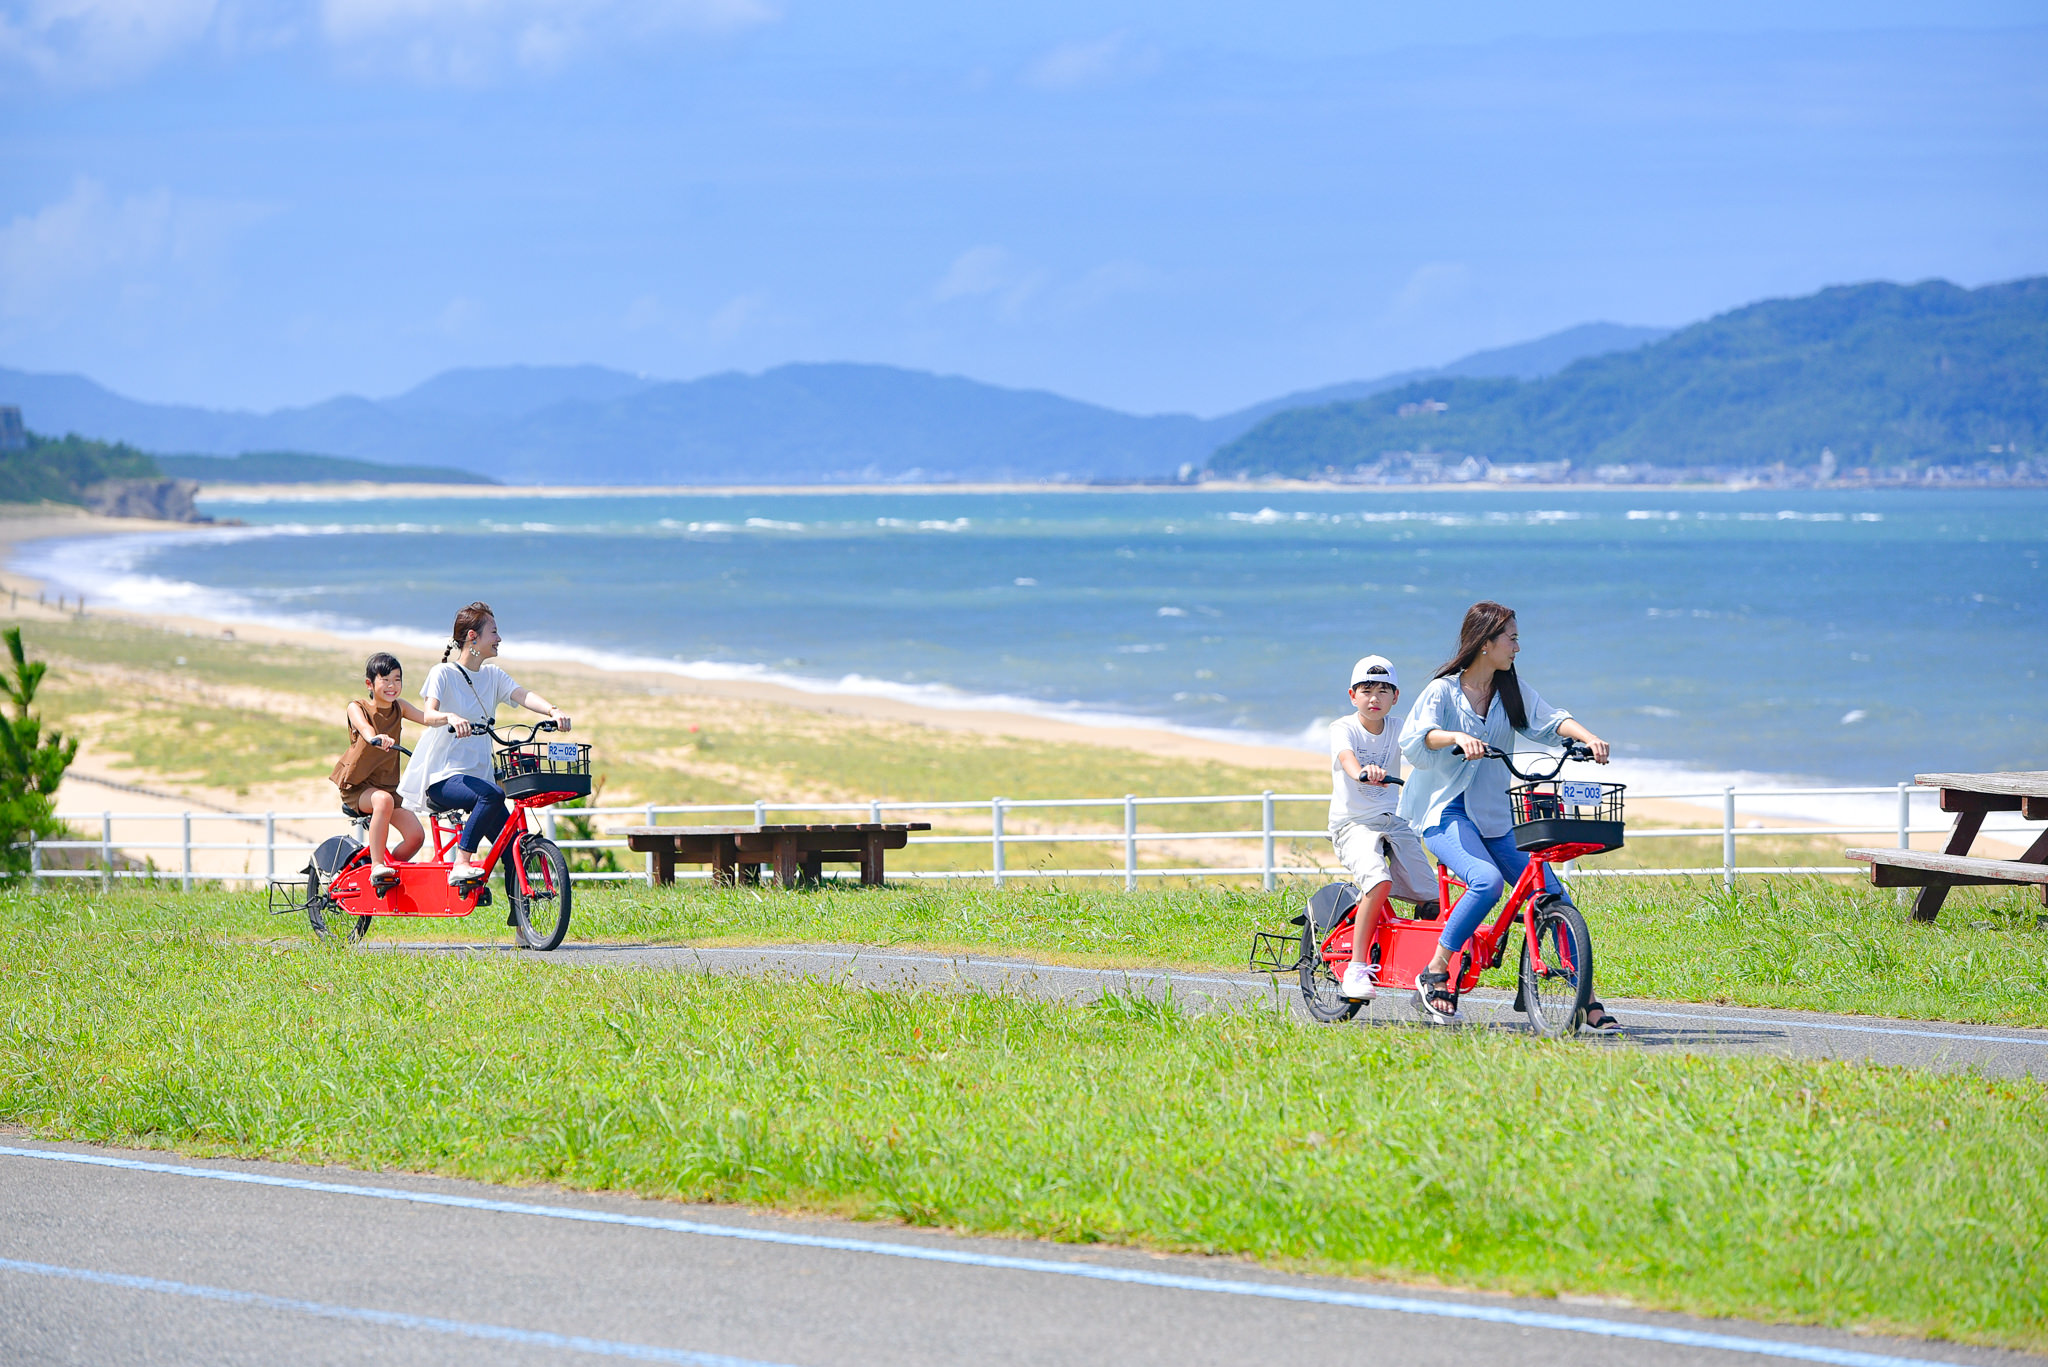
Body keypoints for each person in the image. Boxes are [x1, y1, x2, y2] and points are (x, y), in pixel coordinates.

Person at [1397, 601, 1621, 1031]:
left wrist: (1589, 738)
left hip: (1494, 815)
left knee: (1553, 896)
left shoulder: (1510, 691)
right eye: (1512, 638)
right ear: (1485, 643)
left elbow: (1549, 721)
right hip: (1446, 811)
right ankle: (1436, 971)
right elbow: (1417, 737)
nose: (1518, 646)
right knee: (1486, 881)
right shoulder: (1443, 691)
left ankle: (1585, 996)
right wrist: (1455, 736)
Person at [399, 602, 573, 886]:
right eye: (493, 632)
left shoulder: (493, 676)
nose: (499, 638)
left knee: (513, 845)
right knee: (492, 795)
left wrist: (553, 711)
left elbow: (522, 695)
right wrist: (450, 717)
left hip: (480, 780)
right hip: (444, 778)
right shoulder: (443, 674)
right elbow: (429, 714)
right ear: (472, 637)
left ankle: (522, 924)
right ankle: (462, 862)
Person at [1326, 654, 1439, 1001]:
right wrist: (1362, 769)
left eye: (1383, 691)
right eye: (1366, 690)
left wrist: (1454, 748)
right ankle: (1357, 969)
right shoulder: (1342, 728)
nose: (1374, 698)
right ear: (1352, 695)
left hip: (1394, 820)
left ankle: (1429, 974)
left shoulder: (1400, 727)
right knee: (1379, 881)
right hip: (1353, 823)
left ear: (1396, 696)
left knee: (1435, 897)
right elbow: (1346, 757)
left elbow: (1422, 747)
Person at [328, 652, 461, 890]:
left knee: (416, 836)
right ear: (370, 683)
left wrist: (450, 718)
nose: (392, 686)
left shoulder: (399, 707)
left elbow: (427, 719)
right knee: (383, 801)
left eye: (397, 680)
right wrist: (375, 737)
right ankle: (377, 864)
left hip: (389, 787)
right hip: (359, 787)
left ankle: (386, 877)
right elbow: (365, 728)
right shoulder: (357, 707)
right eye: (385, 680)